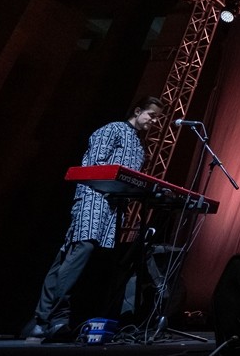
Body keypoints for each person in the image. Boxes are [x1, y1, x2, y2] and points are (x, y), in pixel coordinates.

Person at [23, 96, 165, 341]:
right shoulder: (113, 129)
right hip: (93, 197)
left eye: (157, 118)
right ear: (137, 110)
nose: (154, 122)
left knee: (68, 254)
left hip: (113, 205)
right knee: (82, 248)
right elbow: (92, 166)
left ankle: (41, 319)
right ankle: (55, 316)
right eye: (151, 115)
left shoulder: (139, 145)